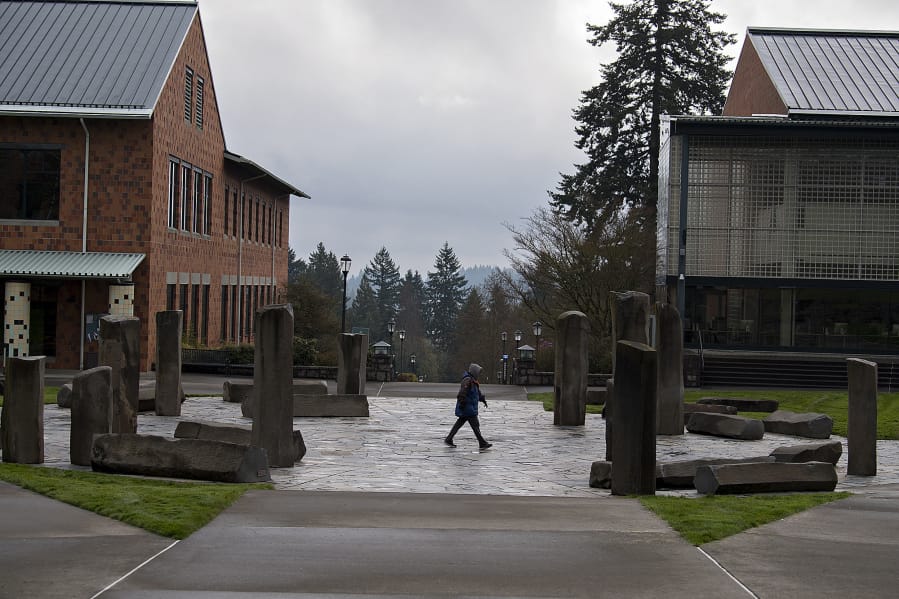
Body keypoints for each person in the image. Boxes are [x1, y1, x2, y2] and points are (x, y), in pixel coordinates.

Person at [444, 363, 492, 449]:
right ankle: (482, 443)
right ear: (474, 372)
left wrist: (483, 400)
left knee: (460, 424)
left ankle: (449, 439)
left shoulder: (473, 381)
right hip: (467, 407)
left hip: (469, 407)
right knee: (475, 425)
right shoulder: (467, 380)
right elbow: (462, 393)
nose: (479, 374)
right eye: (478, 372)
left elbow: (477, 393)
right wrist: (462, 403)